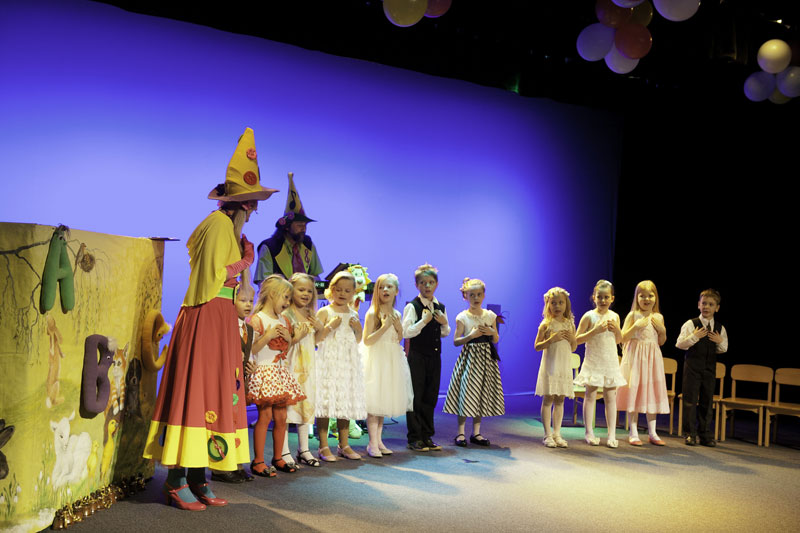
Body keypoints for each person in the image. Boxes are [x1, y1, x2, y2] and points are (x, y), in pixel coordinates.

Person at [143, 127, 276, 511]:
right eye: (252, 205)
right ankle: (177, 480)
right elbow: (212, 277)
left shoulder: (228, 229)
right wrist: (245, 261)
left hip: (219, 317)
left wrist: (242, 261)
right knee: (196, 393)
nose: (253, 212)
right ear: (241, 205)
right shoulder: (218, 225)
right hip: (205, 316)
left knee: (216, 393)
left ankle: (199, 476)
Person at [248, 275, 307, 476]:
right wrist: (268, 336)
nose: (288, 302)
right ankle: (258, 461)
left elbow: (285, 349)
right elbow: (252, 349)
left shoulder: (284, 320)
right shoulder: (257, 320)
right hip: (264, 372)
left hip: (280, 373)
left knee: (281, 418)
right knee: (264, 416)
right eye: (285, 297)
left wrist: (289, 339)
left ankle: (278, 457)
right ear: (273, 295)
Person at [443, 278, 504, 447]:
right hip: (470, 359)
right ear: (465, 296)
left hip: (486, 359)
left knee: (481, 393)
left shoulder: (490, 315)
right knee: (466, 393)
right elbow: (456, 341)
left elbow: (496, 339)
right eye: (472, 295)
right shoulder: (463, 317)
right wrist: (471, 336)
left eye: (479, 294)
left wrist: (492, 332)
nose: (476, 298)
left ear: (483, 295)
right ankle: (460, 433)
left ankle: (476, 432)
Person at [315, 271, 366, 461]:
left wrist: (358, 329)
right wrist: (330, 326)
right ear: (332, 290)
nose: (342, 294)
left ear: (353, 293)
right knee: (326, 402)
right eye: (338, 290)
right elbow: (315, 339)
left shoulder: (353, 313)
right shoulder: (325, 312)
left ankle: (344, 445)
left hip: (347, 362)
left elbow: (357, 340)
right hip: (329, 361)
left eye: (347, 290)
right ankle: (323, 446)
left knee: (345, 401)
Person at [361, 273, 413, 457]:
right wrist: (384, 327)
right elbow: (367, 340)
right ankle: (372, 443)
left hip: (390, 360)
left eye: (389, 287)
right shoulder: (372, 313)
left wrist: (398, 328)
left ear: (396, 291)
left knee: (383, 402)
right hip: (376, 360)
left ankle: (379, 441)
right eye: (381, 287)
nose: (385, 290)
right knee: (374, 402)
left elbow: (397, 339)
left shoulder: (397, 314)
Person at [210, 284, 256, 482]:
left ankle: (236, 463)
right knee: (225, 422)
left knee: (238, 424)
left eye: (251, 301)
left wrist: (250, 367)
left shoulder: (249, 329)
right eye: (242, 300)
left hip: (239, 384)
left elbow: (247, 353)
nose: (248, 305)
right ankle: (220, 467)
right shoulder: (225, 326)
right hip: (226, 384)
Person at [402, 263, 450, 452]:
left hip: (434, 356)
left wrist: (444, 323)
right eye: (423, 283)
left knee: (430, 395)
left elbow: (444, 333)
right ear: (417, 285)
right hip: (417, 356)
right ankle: (414, 437)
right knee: (416, 396)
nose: (427, 286)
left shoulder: (440, 306)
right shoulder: (412, 306)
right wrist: (423, 322)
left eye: (430, 282)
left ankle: (427, 435)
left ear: (436, 284)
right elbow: (406, 332)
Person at [574, 280, 626, 448]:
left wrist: (616, 330)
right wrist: (594, 330)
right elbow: (576, 340)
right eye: (599, 297)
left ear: (612, 298)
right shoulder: (589, 316)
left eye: (606, 297)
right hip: (594, 360)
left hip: (609, 361)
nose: (603, 300)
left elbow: (619, 340)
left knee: (610, 397)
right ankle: (589, 432)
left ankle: (612, 435)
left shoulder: (615, 316)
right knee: (590, 395)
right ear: (594, 297)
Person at [617, 280, 669, 446]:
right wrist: (636, 327)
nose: (647, 299)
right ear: (637, 298)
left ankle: (652, 432)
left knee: (651, 393)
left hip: (652, 360)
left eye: (650, 296)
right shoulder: (633, 315)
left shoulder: (658, 317)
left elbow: (661, 341)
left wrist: (662, 330)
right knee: (634, 392)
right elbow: (621, 338)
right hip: (636, 359)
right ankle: (633, 432)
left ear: (656, 297)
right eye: (642, 296)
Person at [281, 273, 325, 467]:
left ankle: (304, 449)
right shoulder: (285, 314)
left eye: (309, 291)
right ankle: (283, 451)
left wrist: (320, 328)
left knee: (305, 406)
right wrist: (296, 337)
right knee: (286, 409)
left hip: (307, 366)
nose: (306, 294)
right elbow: (282, 344)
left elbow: (315, 341)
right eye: (301, 290)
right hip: (290, 366)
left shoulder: (310, 314)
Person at [676, 288, 728, 447]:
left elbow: (723, 348)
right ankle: (690, 434)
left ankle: (705, 434)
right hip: (692, 368)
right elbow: (679, 344)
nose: (706, 307)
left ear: (717, 308)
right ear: (698, 304)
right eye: (704, 303)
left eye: (711, 304)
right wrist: (694, 337)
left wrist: (719, 341)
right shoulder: (691, 324)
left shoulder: (719, 328)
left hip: (709, 369)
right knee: (690, 401)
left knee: (707, 401)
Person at [254, 172, 323, 284]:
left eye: (305, 225)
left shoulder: (308, 244)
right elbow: (263, 283)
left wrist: (320, 286)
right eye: (299, 225)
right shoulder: (270, 247)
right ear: (286, 227)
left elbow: (316, 276)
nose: (304, 229)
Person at [534, 287, 577, 449]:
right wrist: (551, 339)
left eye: (561, 303)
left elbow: (573, 347)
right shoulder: (546, 324)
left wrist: (572, 338)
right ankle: (547, 434)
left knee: (560, 400)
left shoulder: (569, 323)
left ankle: (557, 433)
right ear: (548, 304)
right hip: (551, 366)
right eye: (554, 303)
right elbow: (537, 346)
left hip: (563, 367)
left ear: (566, 304)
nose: (557, 306)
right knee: (548, 399)